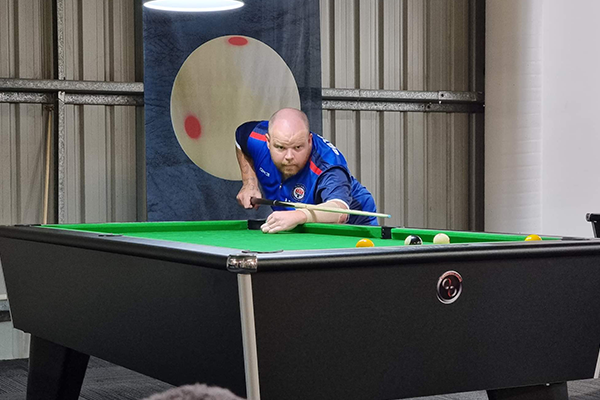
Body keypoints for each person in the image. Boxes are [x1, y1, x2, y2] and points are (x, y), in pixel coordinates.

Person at [235, 108, 377, 233]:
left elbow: (340, 211)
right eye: (280, 147)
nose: (289, 157)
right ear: (268, 141)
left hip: (354, 226)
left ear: (309, 140)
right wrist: (249, 183)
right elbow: (240, 140)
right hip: (299, 222)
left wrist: (298, 215)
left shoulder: (328, 166)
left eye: (297, 147)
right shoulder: (256, 138)